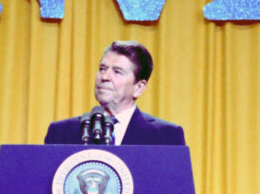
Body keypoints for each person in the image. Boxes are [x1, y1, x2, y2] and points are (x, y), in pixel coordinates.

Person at [44, 40, 185, 145]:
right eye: (102, 69)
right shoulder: (61, 133)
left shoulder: (166, 136)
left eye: (117, 72)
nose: (104, 77)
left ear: (139, 87)